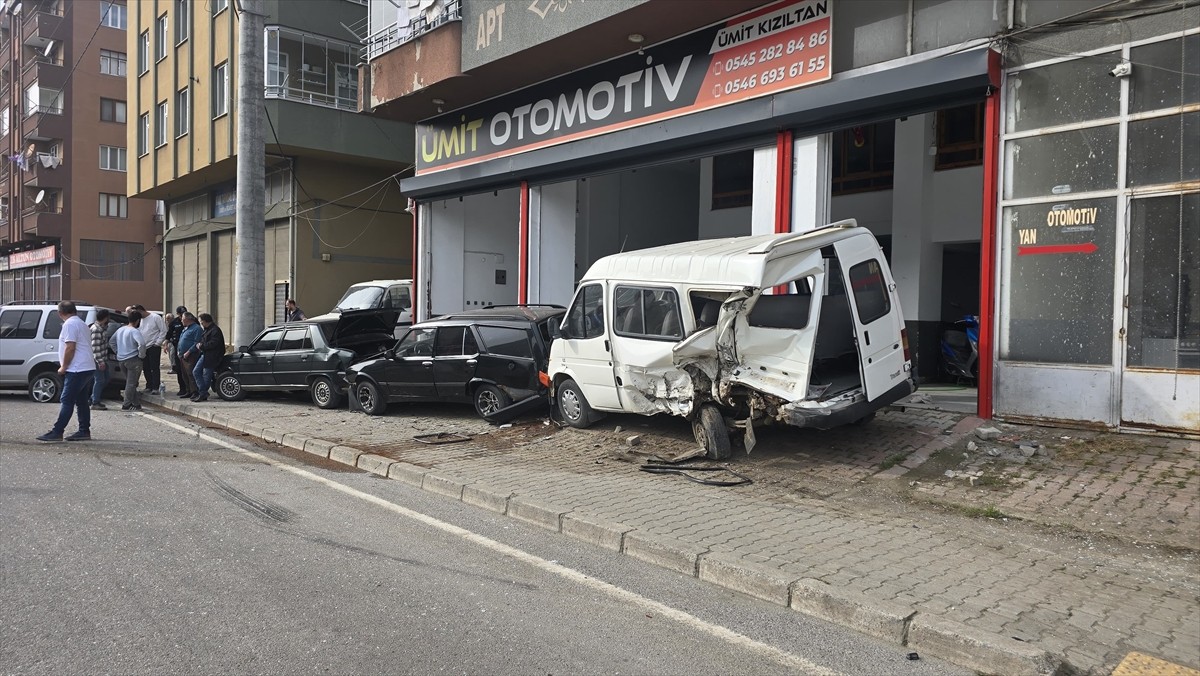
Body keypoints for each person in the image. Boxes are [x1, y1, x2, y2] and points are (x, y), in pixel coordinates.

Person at [37, 301, 97, 442]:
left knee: (67, 399)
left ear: (60, 313)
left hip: (76, 368)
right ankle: (84, 430)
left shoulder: (69, 324)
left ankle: (57, 431)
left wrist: (64, 366)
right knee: (81, 400)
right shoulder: (82, 324)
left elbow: (70, 347)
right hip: (87, 366)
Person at [112, 311, 148, 411]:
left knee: (130, 382)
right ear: (138, 321)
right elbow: (142, 344)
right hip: (133, 359)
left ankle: (136, 403)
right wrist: (142, 355)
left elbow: (112, 341)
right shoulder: (134, 331)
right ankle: (126, 404)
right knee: (131, 383)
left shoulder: (120, 329)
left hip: (121, 359)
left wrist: (117, 351)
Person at [132, 303, 166, 394]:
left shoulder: (155, 317)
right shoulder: (140, 320)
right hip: (143, 346)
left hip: (153, 346)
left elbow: (163, 330)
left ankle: (155, 387)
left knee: (154, 367)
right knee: (145, 367)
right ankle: (149, 385)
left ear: (141, 310)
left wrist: (158, 343)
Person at [191, 313, 225, 402]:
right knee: (196, 371)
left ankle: (203, 393)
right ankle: (202, 391)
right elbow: (203, 340)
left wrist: (202, 346)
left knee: (207, 376)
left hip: (212, 356)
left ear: (206, 321)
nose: (201, 323)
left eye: (202, 322)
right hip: (205, 355)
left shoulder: (215, 330)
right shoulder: (206, 330)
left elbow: (213, 343)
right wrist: (200, 345)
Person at [88, 309, 114, 410]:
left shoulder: (101, 328)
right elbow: (95, 347)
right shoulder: (96, 330)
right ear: (105, 317)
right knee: (99, 380)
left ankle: (93, 398)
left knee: (105, 379)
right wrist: (100, 362)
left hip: (103, 358)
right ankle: (95, 402)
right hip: (98, 360)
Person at [176, 312, 202, 399]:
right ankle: (188, 390)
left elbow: (197, 342)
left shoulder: (196, 329)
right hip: (182, 355)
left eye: (183, 319)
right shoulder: (186, 328)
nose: (181, 320)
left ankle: (195, 391)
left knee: (191, 373)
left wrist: (189, 351)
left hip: (191, 355)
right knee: (184, 374)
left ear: (188, 319)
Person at [165, 308, 184, 375]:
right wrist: (166, 344)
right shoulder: (174, 323)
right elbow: (169, 334)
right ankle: (175, 369)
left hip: (187, 346)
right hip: (176, 344)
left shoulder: (192, 320)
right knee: (174, 357)